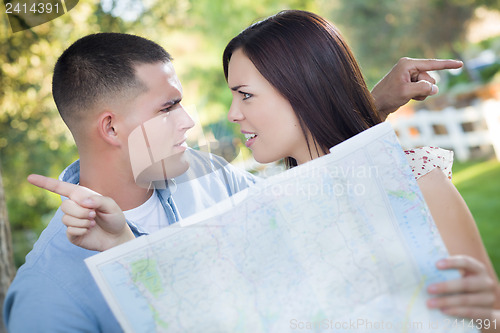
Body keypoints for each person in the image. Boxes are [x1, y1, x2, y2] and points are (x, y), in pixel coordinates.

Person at [5, 30, 467, 332]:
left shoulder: (206, 176)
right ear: (110, 128)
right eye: (167, 108)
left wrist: (364, 105)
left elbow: (310, 198)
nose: (190, 122)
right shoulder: (49, 297)